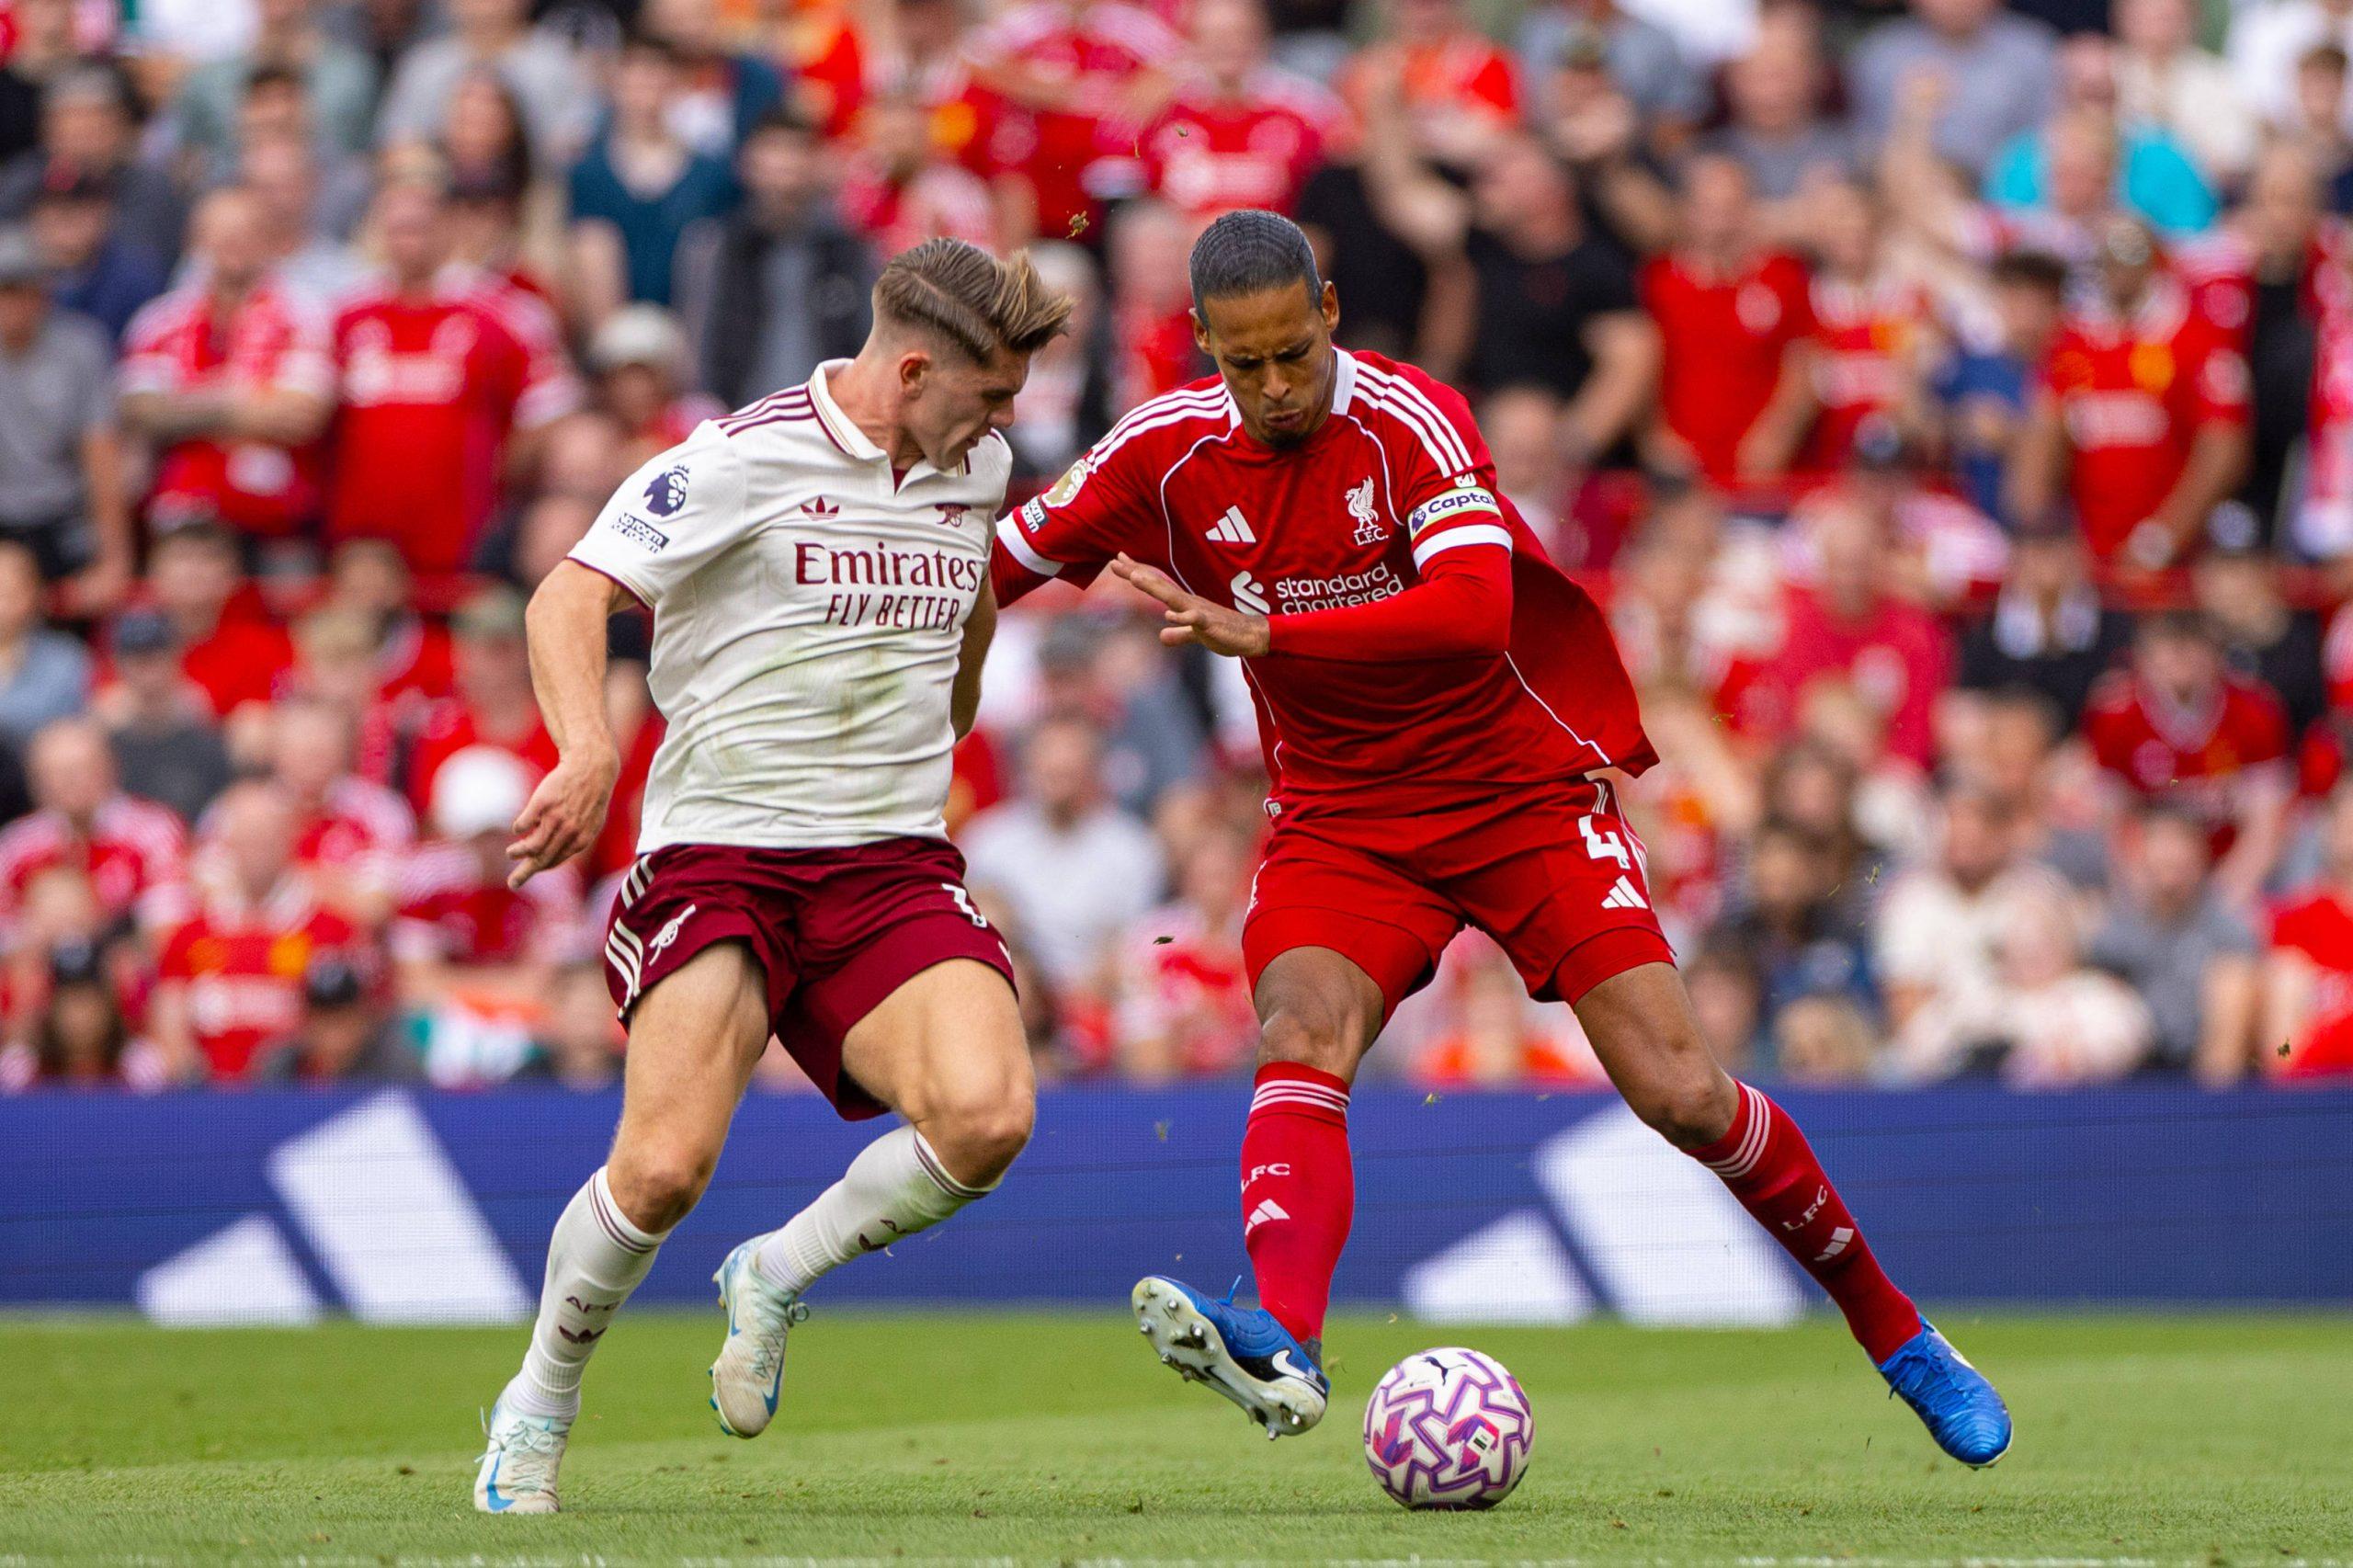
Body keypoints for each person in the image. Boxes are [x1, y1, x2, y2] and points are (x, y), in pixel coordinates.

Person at [989, 209, 2009, 1465]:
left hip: (1518, 791)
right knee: (1303, 1027)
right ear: (1200, 341)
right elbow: (1001, 562)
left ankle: (1902, 1335)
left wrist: (1274, 636)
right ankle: (1284, 1339)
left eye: (1292, 353)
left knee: (1683, 1092)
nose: (1273, 386)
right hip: (1343, 818)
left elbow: (1473, 612)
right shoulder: (1161, 450)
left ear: (1332, 315)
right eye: (1242, 362)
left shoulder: (1411, 418)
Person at [472, 239, 1073, 1514]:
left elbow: (971, 605)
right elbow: (568, 597)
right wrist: (589, 750)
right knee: (662, 1170)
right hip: (725, 853)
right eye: (991, 393)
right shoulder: (738, 457)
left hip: (892, 857)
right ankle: (539, 1399)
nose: (1009, 419)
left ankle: (778, 1271)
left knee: (989, 1116)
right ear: (913, 368)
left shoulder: (978, 468)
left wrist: (950, 697)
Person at [0, 226, 132, 608]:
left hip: (60, 519)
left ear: (44, 291)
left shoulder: (80, 348)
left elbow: (101, 455)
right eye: (5, 289)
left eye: (23, 288)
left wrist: (114, 560)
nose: (15, 303)